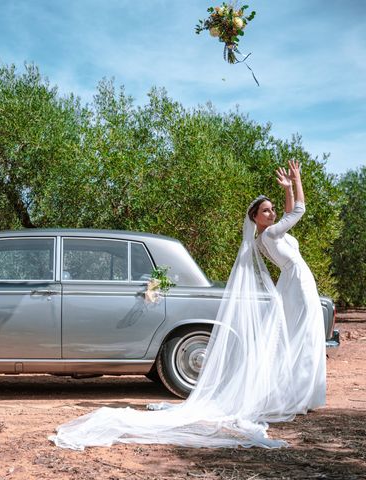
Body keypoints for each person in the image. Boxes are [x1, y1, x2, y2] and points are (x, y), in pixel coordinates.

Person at [50, 159, 326, 449]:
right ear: (256, 218)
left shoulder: (266, 235)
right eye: (265, 211)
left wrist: (286, 190)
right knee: (303, 335)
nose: (271, 213)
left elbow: (288, 211)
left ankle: (299, 395)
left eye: (271, 210)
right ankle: (300, 396)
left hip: (295, 282)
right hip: (297, 283)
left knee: (300, 336)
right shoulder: (270, 234)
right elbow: (299, 211)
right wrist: (296, 179)